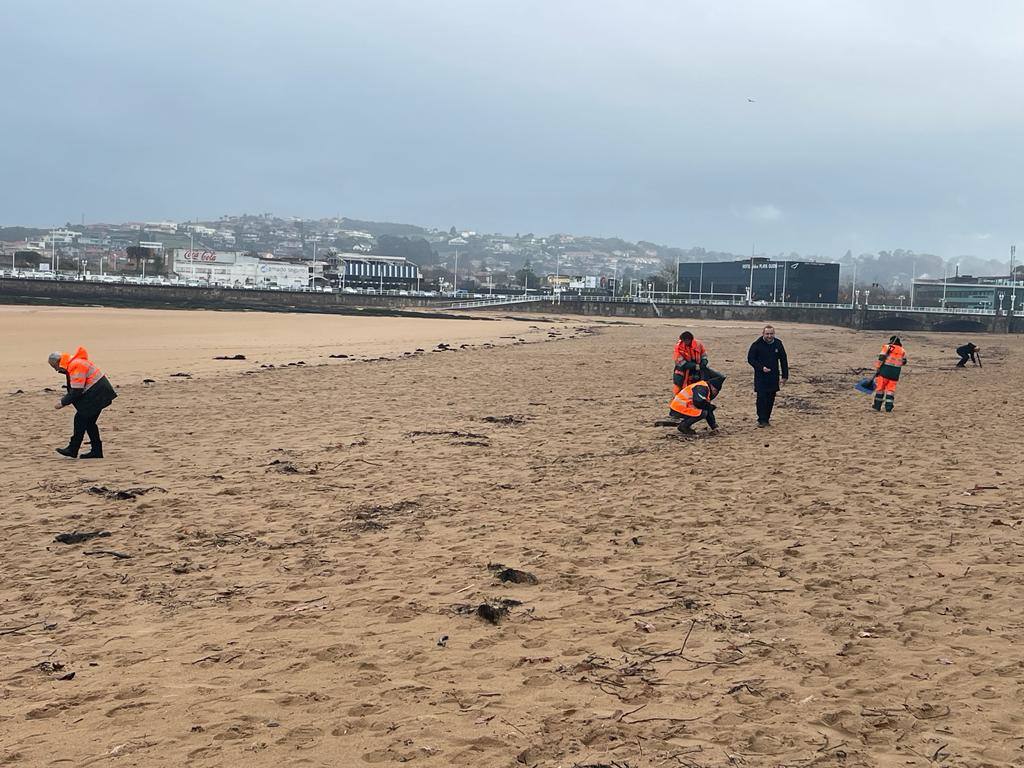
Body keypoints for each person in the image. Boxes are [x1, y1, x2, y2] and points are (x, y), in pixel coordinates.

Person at [49, 347, 117, 458]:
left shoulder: (75, 366)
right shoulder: (75, 363)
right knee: (89, 423)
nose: (56, 370)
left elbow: (77, 390)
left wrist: (62, 403)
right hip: (101, 392)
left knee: (80, 420)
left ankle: (73, 449)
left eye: (54, 367)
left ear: (58, 362)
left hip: (98, 394)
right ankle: (96, 451)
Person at [746, 325, 788, 427]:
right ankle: (761, 419)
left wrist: (785, 376)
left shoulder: (778, 344)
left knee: (771, 398)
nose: (769, 336)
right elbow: (750, 359)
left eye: (771, 334)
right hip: (761, 376)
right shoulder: (757, 344)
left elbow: (783, 360)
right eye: (767, 334)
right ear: (763, 334)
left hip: (773, 376)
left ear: (774, 334)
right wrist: (761, 368)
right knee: (761, 398)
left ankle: (767, 419)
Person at [871, 335, 906, 412]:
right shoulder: (902, 350)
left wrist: (878, 368)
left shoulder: (887, 347)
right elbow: (904, 362)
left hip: (884, 371)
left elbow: (881, 358)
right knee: (890, 390)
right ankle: (888, 407)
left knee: (880, 388)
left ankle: (877, 406)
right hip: (895, 373)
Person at [672, 331, 708, 395]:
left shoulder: (698, 344)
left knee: (695, 387)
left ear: (690, 339)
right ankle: (676, 401)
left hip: (696, 370)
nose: (684, 342)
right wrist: (696, 366)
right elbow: (681, 362)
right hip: (682, 370)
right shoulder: (678, 347)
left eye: (686, 340)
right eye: (683, 340)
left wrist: (704, 361)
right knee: (678, 386)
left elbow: (703, 355)